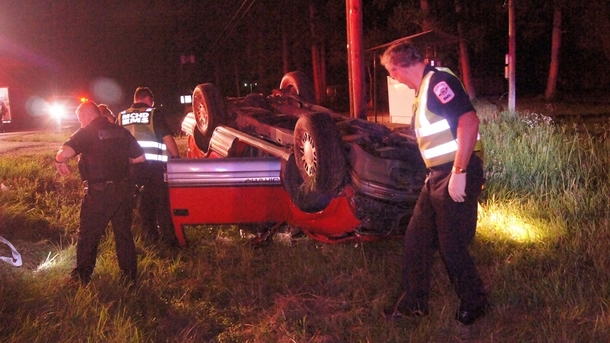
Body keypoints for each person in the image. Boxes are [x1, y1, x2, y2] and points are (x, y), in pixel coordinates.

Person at [380, 43, 487, 325]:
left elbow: (469, 121)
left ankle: (475, 301)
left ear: (397, 67)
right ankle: (414, 303)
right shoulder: (424, 88)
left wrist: (460, 171)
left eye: (391, 73)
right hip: (436, 177)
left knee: (451, 245)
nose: (394, 80)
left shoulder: (439, 81)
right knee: (416, 239)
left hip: (454, 172)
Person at [54, 100, 145, 285]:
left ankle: (81, 278)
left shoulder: (87, 132)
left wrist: (58, 160)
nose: (81, 123)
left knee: (88, 236)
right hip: (124, 191)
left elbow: (64, 153)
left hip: (100, 194)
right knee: (124, 235)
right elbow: (140, 157)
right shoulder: (120, 131)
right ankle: (130, 279)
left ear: (86, 116)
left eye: (80, 119)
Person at [117, 87, 180, 246]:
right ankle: (169, 241)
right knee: (161, 204)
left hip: (131, 168)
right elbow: (167, 138)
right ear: (148, 99)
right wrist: (177, 158)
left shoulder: (122, 116)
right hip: (153, 167)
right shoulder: (153, 113)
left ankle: (150, 240)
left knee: (143, 205)